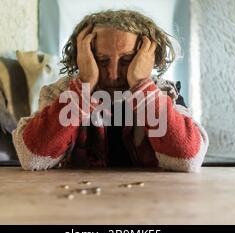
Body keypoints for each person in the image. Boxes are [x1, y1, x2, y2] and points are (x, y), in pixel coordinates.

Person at [12, 10, 208, 172]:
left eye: (127, 60)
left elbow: (187, 159)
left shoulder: (165, 93)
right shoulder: (61, 93)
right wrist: (85, 85)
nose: (113, 74)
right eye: (102, 60)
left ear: (147, 58)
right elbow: (32, 159)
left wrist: (141, 84)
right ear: (83, 57)